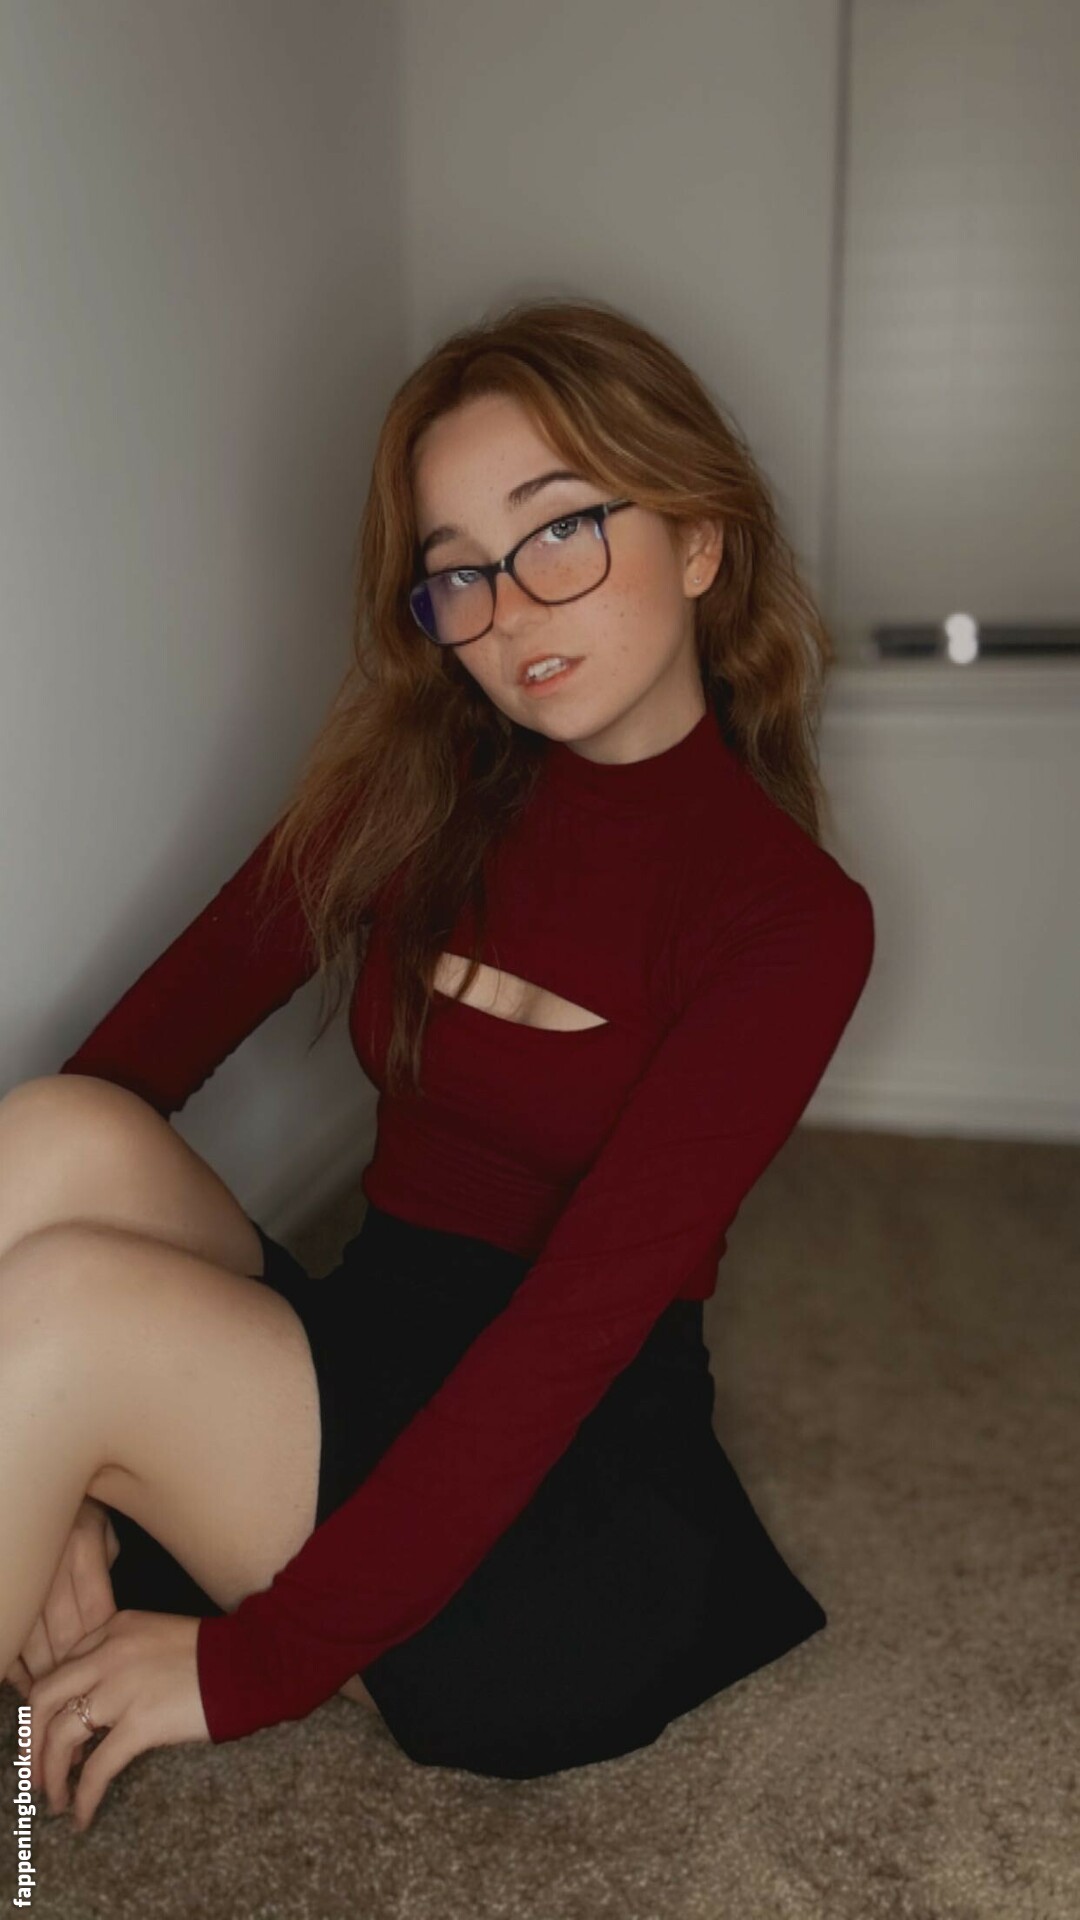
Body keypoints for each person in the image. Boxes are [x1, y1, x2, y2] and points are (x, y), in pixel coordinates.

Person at [1, 295, 874, 1831]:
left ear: (700, 540)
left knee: (63, 1314)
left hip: (560, 1504)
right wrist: (58, 1481)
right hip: (368, 1341)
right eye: (459, 569)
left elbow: (567, 1340)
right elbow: (126, 1070)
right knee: (57, 1129)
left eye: (560, 532)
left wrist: (248, 1667)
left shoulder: (791, 920)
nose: (510, 610)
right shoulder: (414, 789)